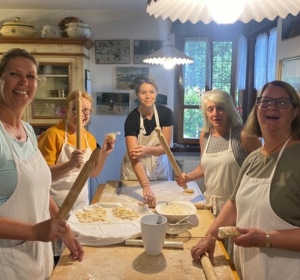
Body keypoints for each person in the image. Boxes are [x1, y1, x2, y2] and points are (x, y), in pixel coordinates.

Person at [191, 81, 300, 280]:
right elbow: (233, 204)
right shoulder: (254, 158)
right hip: (249, 269)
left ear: (295, 112)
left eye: (282, 103)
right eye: (265, 101)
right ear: (257, 109)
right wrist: (210, 236)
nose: (272, 107)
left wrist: (267, 239)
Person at [0, 48, 84, 279]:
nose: (23, 82)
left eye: (30, 76)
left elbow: (37, 190)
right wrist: (34, 230)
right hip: (7, 262)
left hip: (38, 257)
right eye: (14, 74)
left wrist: (62, 227)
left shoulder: (27, 130)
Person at [38, 90, 115, 261]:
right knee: (56, 259)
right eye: (77, 109)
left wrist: (104, 153)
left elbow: (93, 173)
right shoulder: (53, 135)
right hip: (54, 208)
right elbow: (40, 177)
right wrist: (70, 164)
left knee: (76, 256)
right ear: (67, 110)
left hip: (80, 210)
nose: (82, 114)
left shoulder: (88, 138)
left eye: (86, 110)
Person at [176, 89, 261, 215]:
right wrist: (187, 178)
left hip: (238, 207)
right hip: (211, 204)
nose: (215, 114)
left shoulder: (243, 134)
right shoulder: (205, 136)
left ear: (228, 111)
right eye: (210, 109)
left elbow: (262, 169)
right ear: (206, 113)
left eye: (220, 108)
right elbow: (203, 168)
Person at [120, 74, 174, 207]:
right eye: (143, 93)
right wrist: (145, 185)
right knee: (134, 206)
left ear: (156, 93)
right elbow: (134, 156)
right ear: (137, 95)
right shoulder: (132, 119)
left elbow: (165, 148)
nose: (148, 96)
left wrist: (146, 150)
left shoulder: (166, 114)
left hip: (158, 167)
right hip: (135, 171)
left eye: (151, 92)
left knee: (162, 205)